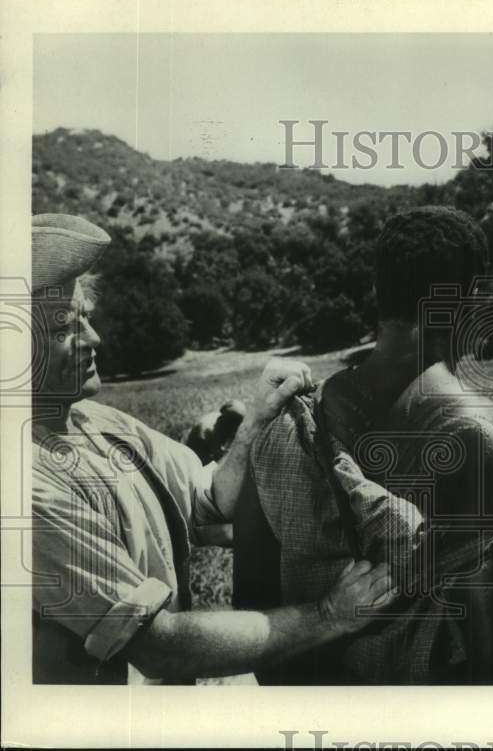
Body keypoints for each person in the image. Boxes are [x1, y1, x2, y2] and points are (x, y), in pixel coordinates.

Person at [30, 213, 394, 684]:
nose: (93, 339)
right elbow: (159, 645)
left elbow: (206, 502)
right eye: (64, 329)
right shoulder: (27, 486)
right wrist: (329, 615)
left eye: (85, 318)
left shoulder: (100, 424)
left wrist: (257, 419)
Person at [233, 205, 493, 684]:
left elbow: (254, 612)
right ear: (467, 301)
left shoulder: (280, 429)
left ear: (378, 293)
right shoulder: (489, 439)